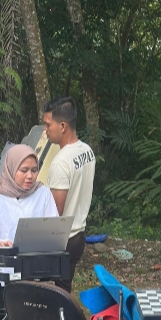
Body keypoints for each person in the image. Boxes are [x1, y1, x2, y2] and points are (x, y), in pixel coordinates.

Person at [43, 97, 96, 290]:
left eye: (48, 125)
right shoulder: (87, 151)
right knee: (63, 290)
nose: (45, 130)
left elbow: (55, 213)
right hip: (79, 235)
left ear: (63, 126)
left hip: (63, 240)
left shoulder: (61, 162)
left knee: (50, 294)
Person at [0, 144, 58, 255]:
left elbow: (53, 227)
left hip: (38, 262)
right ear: (11, 169)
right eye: (24, 170)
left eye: (34, 170)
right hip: (4, 262)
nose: (30, 176)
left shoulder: (43, 193)